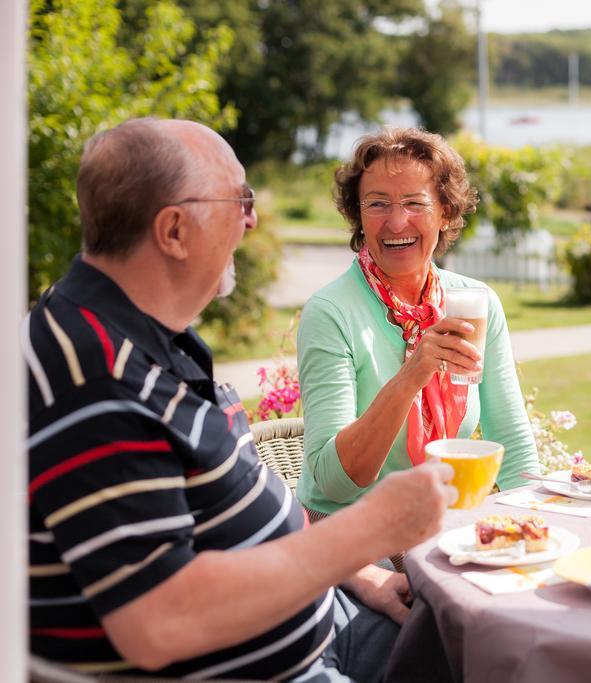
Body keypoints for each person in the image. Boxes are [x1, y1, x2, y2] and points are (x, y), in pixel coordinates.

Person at [25, 117, 455, 681]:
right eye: (239, 200)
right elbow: (159, 622)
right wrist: (367, 532)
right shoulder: (93, 377)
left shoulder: (147, 336)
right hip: (286, 668)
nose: (251, 221)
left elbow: (242, 501)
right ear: (174, 230)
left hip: (331, 612)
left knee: (478, 641)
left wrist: (361, 574)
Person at [296, 128, 539, 517]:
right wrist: (412, 375)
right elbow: (336, 484)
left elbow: (510, 438)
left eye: (414, 202)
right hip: (349, 537)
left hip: (436, 524)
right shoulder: (330, 312)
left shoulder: (475, 303)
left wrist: (536, 521)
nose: (396, 223)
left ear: (445, 212)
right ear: (358, 214)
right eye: (377, 204)